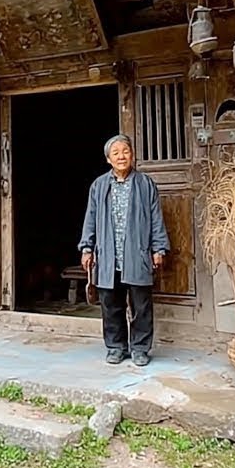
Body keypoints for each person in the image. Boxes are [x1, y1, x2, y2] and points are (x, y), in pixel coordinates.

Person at [77, 134, 170, 366]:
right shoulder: (99, 185)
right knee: (111, 304)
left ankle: (140, 348)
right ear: (108, 159)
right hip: (109, 254)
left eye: (125, 151)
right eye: (116, 153)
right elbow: (90, 218)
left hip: (137, 252)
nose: (121, 156)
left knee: (141, 305)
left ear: (132, 155)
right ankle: (116, 347)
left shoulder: (145, 184)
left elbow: (156, 218)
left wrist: (159, 247)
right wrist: (86, 247)